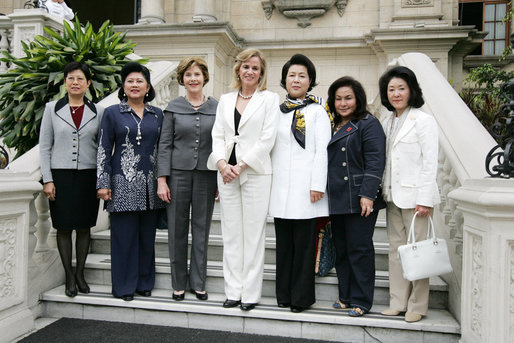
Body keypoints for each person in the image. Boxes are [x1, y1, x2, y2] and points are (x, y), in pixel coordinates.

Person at [207, 48, 280, 311]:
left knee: (253, 235)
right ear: (238, 69)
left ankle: (250, 294)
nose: (250, 71)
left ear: (261, 74)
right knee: (231, 234)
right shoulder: (225, 100)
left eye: (255, 68)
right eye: (246, 66)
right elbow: (216, 136)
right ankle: (233, 291)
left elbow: (268, 138)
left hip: (256, 173)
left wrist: (242, 164)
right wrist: (222, 164)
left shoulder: (270, 99)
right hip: (225, 174)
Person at [268, 54, 332, 313]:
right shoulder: (276, 111)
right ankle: (283, 294)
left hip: (308, 190)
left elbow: (322, 151)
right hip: (281, 187)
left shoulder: (318, 111)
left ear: (310, 81)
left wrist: (318, 184)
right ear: (284, 79)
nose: (296, 79)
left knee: (304, 247)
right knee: (284, 246)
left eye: (302, 75)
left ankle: (301, 298)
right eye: (292, 75)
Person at [97, 61, 164, 301]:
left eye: (140, 81)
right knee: (123, 238)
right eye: (130, 81)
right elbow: (104, 149)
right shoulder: (112, 113)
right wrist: (103, 183)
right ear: (123, 86)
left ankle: (145, 282)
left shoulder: (157, 114)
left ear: (148, 87)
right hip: (122, 183)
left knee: (147, 238)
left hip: (150, 184)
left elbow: (163, 149)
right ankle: (124, 286)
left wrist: (164, 180)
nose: (135, 85)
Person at [378, 66, 440, 323]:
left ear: (411, 90)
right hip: (392, 196)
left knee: (417, 251)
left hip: (417, 200)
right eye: (391, 89)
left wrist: (424, 199)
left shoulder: (423, 120)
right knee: (396, 251)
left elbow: (430, 162)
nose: (396, 94)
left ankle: (418, 305)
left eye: (401, 88)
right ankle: (398, 302)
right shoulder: (386, 121)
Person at [39, 61, 103, 297]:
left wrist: (102, 180)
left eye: (80, 79)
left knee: (84, 227)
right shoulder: (51, 109)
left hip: (88, 175)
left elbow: (102, 148)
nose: (75, 83)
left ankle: (80, 273)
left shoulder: (99, 112)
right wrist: (48, 179)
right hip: (61, 176)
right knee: (64, 227)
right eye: (70, 78)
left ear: (88, 83)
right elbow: (45, 147)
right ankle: (68, 276)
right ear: (65, 82)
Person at [157, 57, 218, 301]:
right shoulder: (173, 107)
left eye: (197, 74)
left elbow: (222, 143)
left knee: (201, 230)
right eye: (188, 75)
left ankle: (199, 282)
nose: (193, 78)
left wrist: (221, 179)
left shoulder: (217, 107)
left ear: (204, 77)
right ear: (182, 79)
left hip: (206, 176)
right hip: (178, 176)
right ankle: (178, 283)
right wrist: (162, 179)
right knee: (177, 230)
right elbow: (164, 145)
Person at [326, 76, 386, 317]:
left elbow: (375, 160)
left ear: (357, 99)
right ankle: (345, 296)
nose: (343, 103)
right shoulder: (332, 124)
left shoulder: (368, 123)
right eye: (338, 98)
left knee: (359, 249)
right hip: (337, 198)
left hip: (361, 197)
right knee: (341, 248)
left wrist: (368, 194)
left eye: (348, 98)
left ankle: (362, 300)